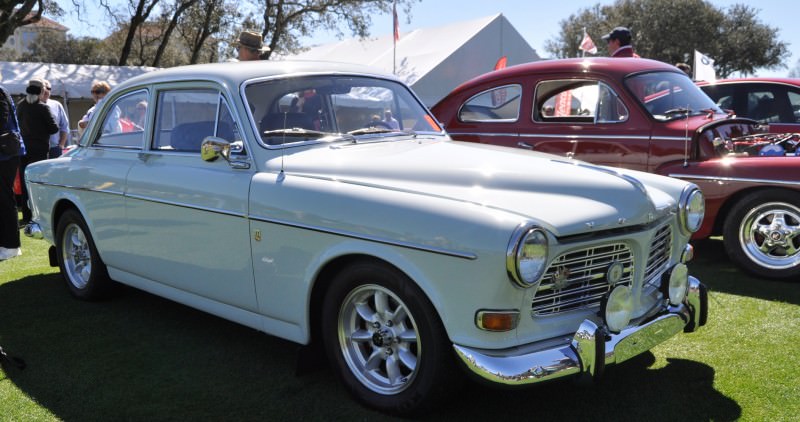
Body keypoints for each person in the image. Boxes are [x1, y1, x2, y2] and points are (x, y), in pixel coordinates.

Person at [15, 78, 58, 227]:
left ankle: (27, 215)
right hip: (39, 150)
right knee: (38, 182)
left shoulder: (20, 106)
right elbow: (54, 129)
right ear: (41, 91)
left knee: (26, 181)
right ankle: (39, 215)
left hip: (23, 150)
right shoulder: (43, 107)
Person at [0, 83, 25, 261]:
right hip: (6, 152)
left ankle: (11, 246)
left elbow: (2, 119)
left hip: (5, 154)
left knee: (4, 199)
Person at [41, 79, 70, 158]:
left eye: (49, 88)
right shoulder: (32, 105)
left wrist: (61, 145)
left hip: (54, 148)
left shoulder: (56, 105)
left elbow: (64, 126)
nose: (46, 91)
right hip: (38, 148)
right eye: (44, 88)